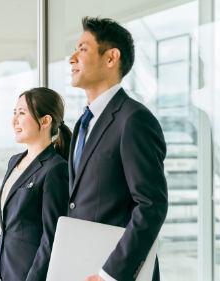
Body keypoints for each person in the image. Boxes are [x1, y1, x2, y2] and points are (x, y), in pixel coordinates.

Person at [67, 17, 168, 281]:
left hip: (116, 273)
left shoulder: (134, 119)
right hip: (82, 265)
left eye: (82, 49)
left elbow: (151, 205)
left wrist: (111, 275)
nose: (71, 58)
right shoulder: (82, 124)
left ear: (111, 58)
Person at [0, 87, 72, 281]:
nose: (14, 121)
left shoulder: (55, 169)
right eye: (14, 113)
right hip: (6, 269)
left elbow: (52, 236)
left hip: (30, 273)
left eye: (22, 113)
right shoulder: (14, 161)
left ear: (45, 121)